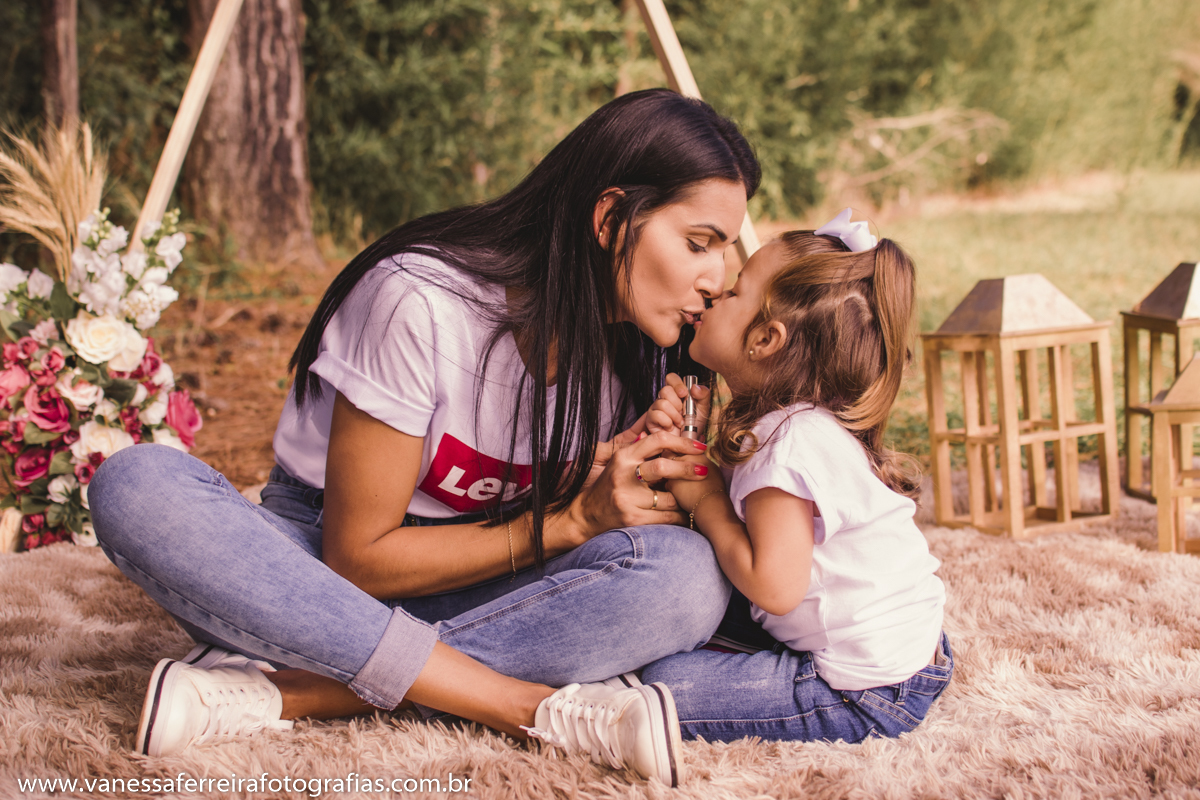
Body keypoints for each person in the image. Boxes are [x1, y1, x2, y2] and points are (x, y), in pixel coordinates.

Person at [89, 89, 761, 785]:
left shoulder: (635, 347)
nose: (716, 279)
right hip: (319, 575)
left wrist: (613, 483)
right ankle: (517, 702)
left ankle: (296, 690)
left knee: (686, 577)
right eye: (698, 243)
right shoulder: (421, 300)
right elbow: (357, 560)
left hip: (479, 589)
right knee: (138, 485)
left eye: (725, 252)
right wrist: (567, 524)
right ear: (610, 216)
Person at [630, 209, 951, 743]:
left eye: (734, 293)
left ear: (765, 339)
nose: (714, 298)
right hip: (909, 653)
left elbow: (775, 590)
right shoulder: (798, 425)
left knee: (663, 685)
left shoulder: (787, 445)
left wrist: (704, 492)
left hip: (863, 692)